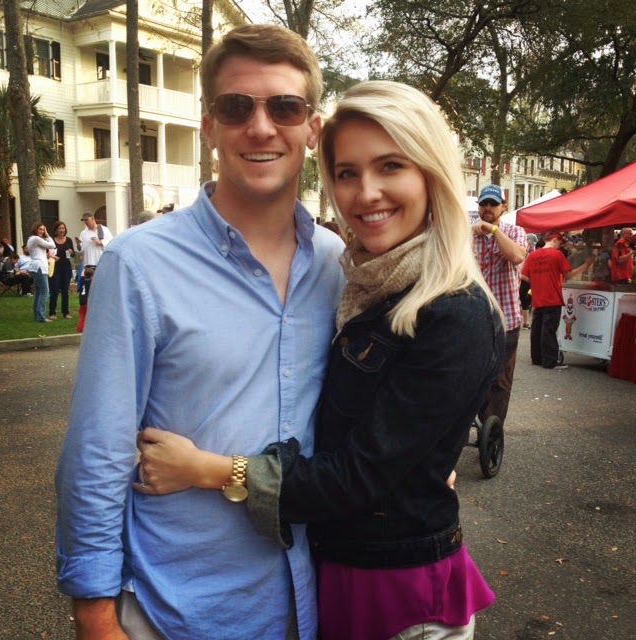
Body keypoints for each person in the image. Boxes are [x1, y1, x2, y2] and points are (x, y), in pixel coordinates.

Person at [134, 81, 505, 640]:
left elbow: (355, 476)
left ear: (431, 173)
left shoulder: (454, 311)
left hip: (401, 592)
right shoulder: (366, 283)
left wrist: (207, 469)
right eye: (347, 173)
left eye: (391, 166)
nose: (366, 193)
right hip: (337, 569)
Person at [55, 24, 344, 640]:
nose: (261, 127)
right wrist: (95, 613)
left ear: (312, 128)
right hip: (174, 608)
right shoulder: (139, 264)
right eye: (236, 107)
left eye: (285, 107)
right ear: (210, 126)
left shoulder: (338, 265)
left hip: (305, 604)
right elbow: (99, 450)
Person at [472, 184, 526, 426]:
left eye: (493, 204)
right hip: (473, 318)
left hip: (507, 319)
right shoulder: (467, 234)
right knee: (471, 373)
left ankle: (492, 430)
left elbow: (516, 256)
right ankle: (471, 423)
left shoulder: (515, 231)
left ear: (504, 207)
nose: (488, 208)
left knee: (500, 379)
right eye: (484, 203)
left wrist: (493, 230)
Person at [521, 230, 594, 369]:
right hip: (552, 298)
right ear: (554, 239)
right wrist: (586, 265)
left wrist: (536, 282)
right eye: (560, 242)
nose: (560, 245)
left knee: (537, 329)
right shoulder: (557, 254)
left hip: (538, 297)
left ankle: (537, 358)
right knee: (549, 330)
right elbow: (569, 275)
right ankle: (550, 361)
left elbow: (523, 275)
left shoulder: (532, 255)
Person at [26, 223, 56, 323]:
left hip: (36, 267)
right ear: (35, 229)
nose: (42, 231)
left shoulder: (32, 239)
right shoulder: (36, 239)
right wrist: (47, 235)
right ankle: (41, 317)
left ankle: (37, 315)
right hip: (39, 267)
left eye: (43, 230)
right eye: (40, 229)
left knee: (39, 292)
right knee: (45, 292)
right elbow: (52, 245)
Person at [48, 221, 75, 320]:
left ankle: (65, 312)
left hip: (66, 267)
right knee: (55, 290)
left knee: (65, 290)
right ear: (56, 230)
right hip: (55, 267)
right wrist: (53, 256)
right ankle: (52, 312)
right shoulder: (51, 240)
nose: (61, 230)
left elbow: (73, 255)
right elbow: (47, 253)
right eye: (59, 228)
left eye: (63, 228)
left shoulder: (69, 240)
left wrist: (71, 252)